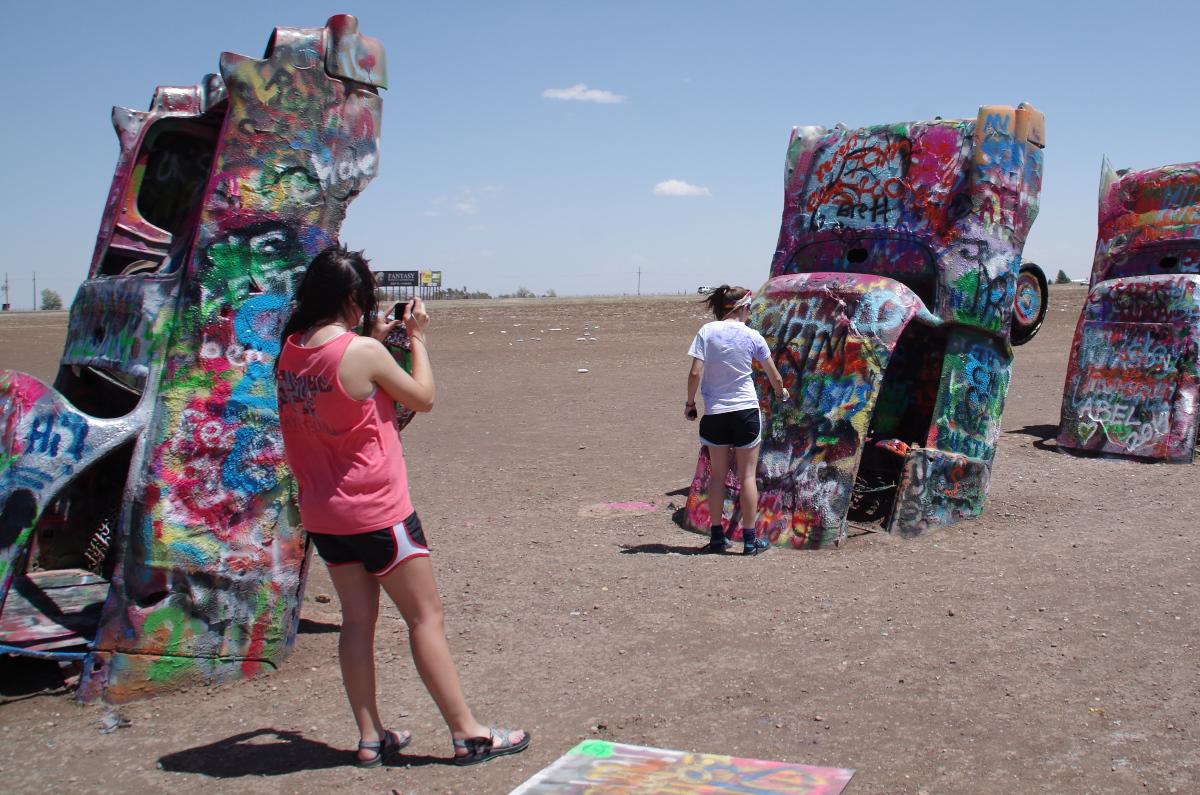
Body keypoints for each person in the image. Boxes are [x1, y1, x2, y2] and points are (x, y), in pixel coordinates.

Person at [275, 245, 529, 767]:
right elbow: (423, 397)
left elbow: (338, 383)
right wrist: (417, 338)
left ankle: (370, 737)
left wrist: (370, 338)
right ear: (353, 297)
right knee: (425, 618)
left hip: (324, 515)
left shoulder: (291, 350)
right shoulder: (363, 353)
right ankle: (468, 733)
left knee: (356, 622)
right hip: (378, 512)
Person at [684, 285, 789, 555]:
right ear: (742, 307)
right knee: (747, 477)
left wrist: (690, 404)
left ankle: (717, 537)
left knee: (717, 477)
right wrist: (781, 394)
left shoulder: (707, 332)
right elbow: (775, 376)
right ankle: (750, 541)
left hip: (716, 413)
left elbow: (695, 373)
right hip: (745, 412)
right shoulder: (752, 336)